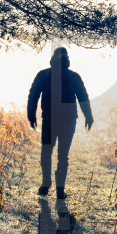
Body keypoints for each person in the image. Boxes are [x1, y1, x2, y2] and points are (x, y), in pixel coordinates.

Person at [27, 47, 93, 199]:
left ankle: (45, 185)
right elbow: (83, 97)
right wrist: (88, 116)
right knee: (63, 155)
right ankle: (59, 190)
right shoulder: (73, 76)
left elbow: (33, 96)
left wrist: (31, 114)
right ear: (67, 61)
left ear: (52, 60)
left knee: (46, 153)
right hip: (68, 120)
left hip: (50, 119)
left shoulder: (43, 75)